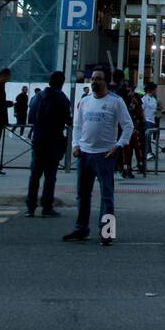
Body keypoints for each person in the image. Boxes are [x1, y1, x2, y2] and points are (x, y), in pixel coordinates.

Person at [63, 67, 132, 245]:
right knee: (82, 194)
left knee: (107, 196)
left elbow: (128, 126)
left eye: (99, 79)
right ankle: (81, 228)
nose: (94, 81)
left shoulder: (116, 102)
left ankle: (107, 232)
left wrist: (118, 145)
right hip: (84, 154)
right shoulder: (84, 101)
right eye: (93, 78)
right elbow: (77, 125)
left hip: (105, 155)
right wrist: (75, 145)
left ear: (106, 82)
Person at [25, 71, 71, 218]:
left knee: (35, 175)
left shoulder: (37, 97)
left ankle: (30, 207)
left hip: (38, 138)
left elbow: (31, 117)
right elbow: (67, 119)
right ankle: (46, 206)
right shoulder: (61, 98)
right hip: (53, 139)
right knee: (50, 176)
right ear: (61, 82)